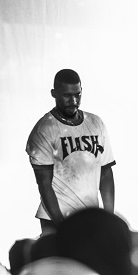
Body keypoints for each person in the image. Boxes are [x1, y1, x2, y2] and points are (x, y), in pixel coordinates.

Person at [26, 68, 116, 235]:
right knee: (62, 261)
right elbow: (44, 185)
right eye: (67, 95)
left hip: (90, 217)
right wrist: (63, 226)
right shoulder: (44, 130)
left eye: (78, 94)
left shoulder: (96, 123)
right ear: (54, 93)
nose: (73, 100)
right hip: (55, 220)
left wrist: (108, 218)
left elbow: (106, 173)